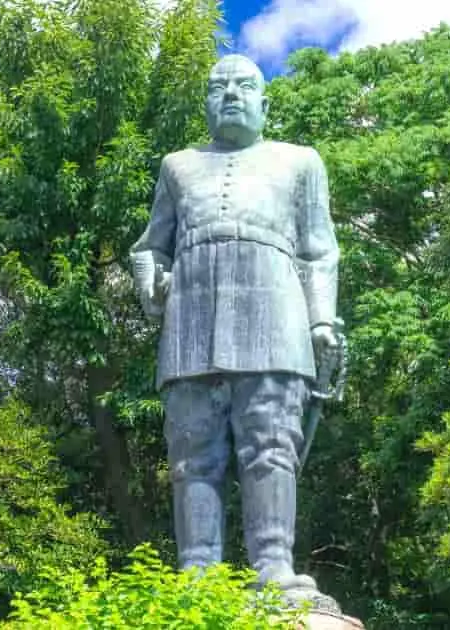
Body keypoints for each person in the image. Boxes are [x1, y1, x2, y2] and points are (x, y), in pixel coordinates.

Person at [129, 54, 339, 605]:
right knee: (192, 452)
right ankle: (197, 572)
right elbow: (150, 247)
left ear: (265, 101)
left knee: (271, 444)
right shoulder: (177, 166)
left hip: (276, 319)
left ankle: (273, 566)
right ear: (205, 102)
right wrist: (153, 284)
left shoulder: (300, 162)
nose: (231, 95)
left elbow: (320, 251)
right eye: (218, 87)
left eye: (245, 86)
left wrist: (320, 321)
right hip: (190, 324)